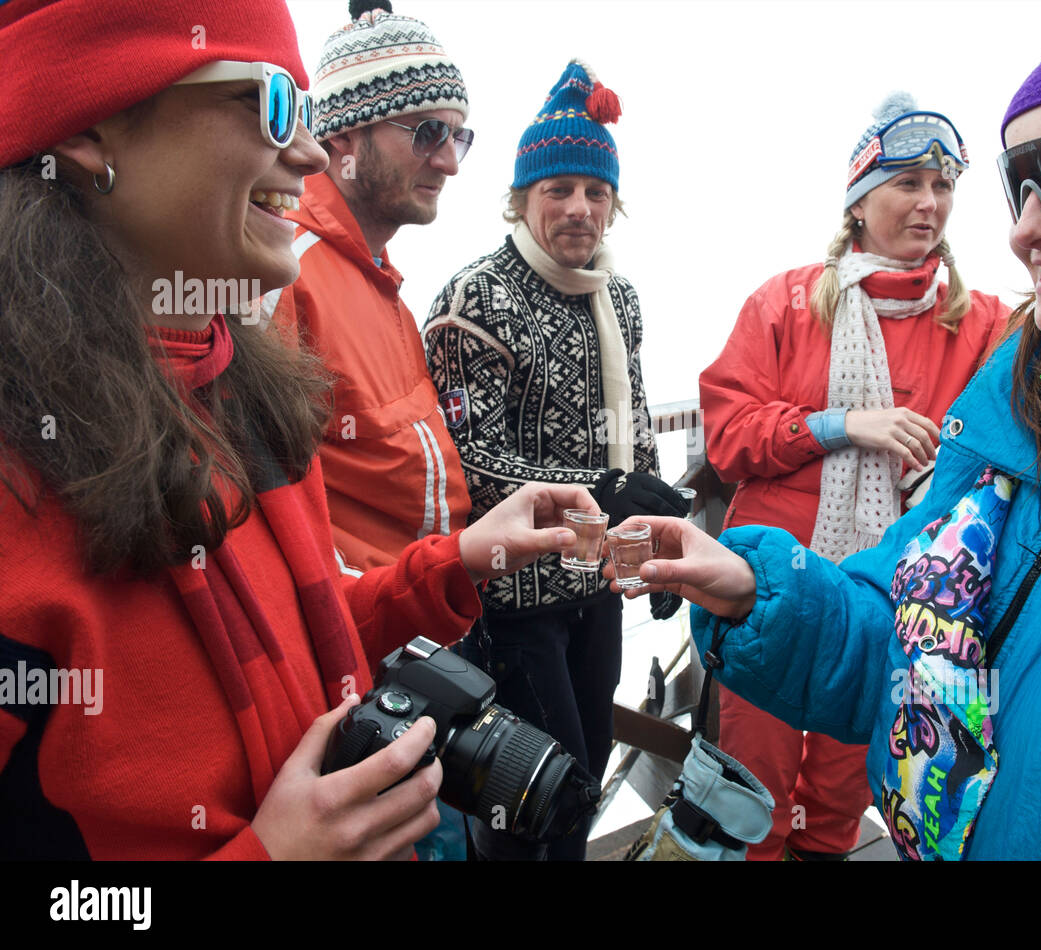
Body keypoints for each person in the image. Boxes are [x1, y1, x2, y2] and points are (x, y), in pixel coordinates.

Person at [611, 0, 1041, 859]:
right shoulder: (986, 382)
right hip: (801, 570)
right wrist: (829, 447)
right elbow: (743, 450)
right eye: (1021, 182)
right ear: (858, 202)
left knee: (831, 805)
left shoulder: (995, 340)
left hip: (855, 601)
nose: (1022, 228)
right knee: (747, 789)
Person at [0, 0, 595, 860]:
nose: (312, 151)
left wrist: (457, 561)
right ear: (89, 128)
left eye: (313, 115)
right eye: (276, 101)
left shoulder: (243, 389)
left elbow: (305, 634)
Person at [698, 93, 1009, 861]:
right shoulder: (786, 301)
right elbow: (728, 438)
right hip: (767, 593)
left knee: (846, 790)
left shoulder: (989, 324)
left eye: (943, 185)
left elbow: (1007, 455)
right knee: (750, 787)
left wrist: (950, 478)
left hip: (896, 598)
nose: (930, 203)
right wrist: (839, 426)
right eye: (907, 182)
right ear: (860, 200)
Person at [424, 59, 687, 861]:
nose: (578, 208)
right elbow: (466, 463)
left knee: (594, 759)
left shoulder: (620, 297)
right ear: (522, 198)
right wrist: (596, 489)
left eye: (595, 192)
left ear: (613, 204)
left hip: (600, 582)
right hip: (512, 592)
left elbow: (634, 435)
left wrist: (654, 559)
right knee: (538, 788)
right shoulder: (478, 297)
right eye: (558, 189)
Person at [262, 1, 473, 578]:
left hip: (425, 621)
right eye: (429, 132)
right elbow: (268, 508)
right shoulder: (283, 275)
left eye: (459, 136)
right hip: (369, 644)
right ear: (345, 139)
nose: (449, 162)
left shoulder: (384, 285)